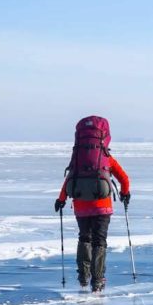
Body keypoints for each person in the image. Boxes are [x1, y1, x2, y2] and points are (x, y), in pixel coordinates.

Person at [54, 116, 131, 292]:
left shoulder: (78, 158)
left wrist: (61, 199)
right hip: (102, 205)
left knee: (84, 237)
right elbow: (124, 179)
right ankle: (97, 280)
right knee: (99, 240)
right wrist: (125, 194)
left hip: (81, 204)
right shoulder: (106, 158)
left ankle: (83, 276)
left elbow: (69, 179)